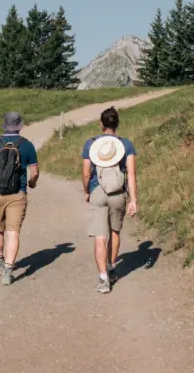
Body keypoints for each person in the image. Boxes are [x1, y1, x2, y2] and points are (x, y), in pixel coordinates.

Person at [0, 112, 39, 286]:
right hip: (17, 194)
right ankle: (8, 271)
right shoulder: (27, 146)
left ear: (4, 126)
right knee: (13, 233)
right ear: (20, 126)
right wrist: (32, 183)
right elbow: (34, 172)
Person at [81, 106, 137, 294]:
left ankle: (103, 278)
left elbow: (86, 173)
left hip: (98, 191)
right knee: (114, 232)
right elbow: (131, 172)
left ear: (101, 124)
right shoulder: (126, 144)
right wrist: (133, 199)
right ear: (117, 124)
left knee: (100, 236)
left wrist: (87, 191)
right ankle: (112, 268)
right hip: (118, 193)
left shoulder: (91, 144)